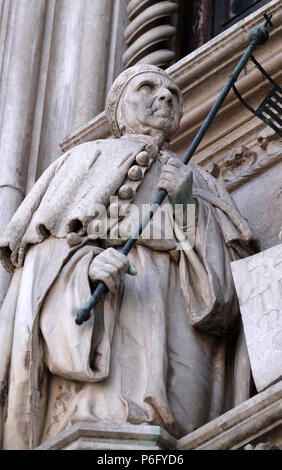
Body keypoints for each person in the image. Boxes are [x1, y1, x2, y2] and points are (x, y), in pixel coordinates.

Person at [0, 64, 257, 449]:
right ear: (118, 109)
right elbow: (41, 256)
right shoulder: (83, 160)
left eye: (173, 92)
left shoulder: (203, 183)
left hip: (178, 331)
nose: (165, 96)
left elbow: (223, 301)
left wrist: (187, 205)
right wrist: (84, 270)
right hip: (110, 320)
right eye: (147, 87)